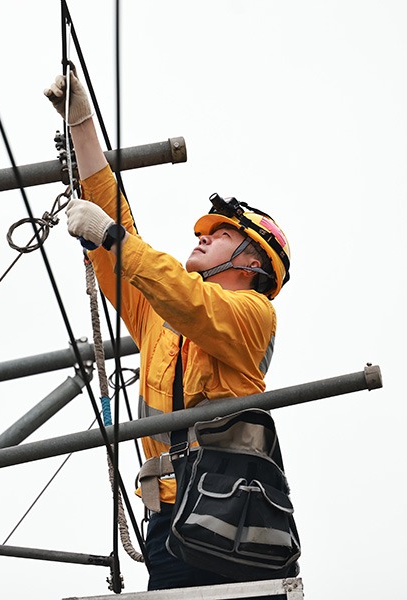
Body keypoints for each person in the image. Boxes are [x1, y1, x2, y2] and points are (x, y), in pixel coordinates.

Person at [44, 71, 293, 591]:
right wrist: (83, 127)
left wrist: (110, 237)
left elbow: (187, 298)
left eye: (220, 235)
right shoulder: (159, 316)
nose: (201, 239)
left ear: (253, 263)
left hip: (230, 513)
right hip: (170, 519)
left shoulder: (252, 314)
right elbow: (125, 237)